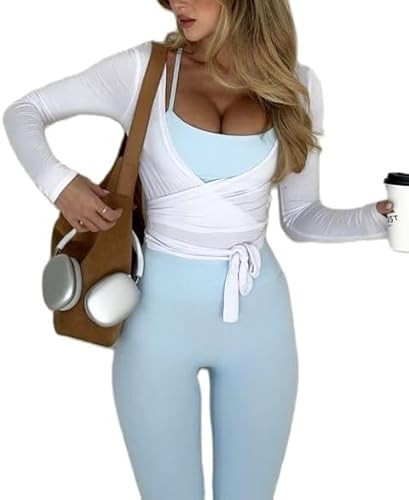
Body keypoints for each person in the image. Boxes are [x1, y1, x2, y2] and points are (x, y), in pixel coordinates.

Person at [3, 1, 394, 499]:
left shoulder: (296, 84)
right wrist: (60, 184)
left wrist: (381, 218)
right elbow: (24, 111)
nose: (178, 4)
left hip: (260, 325)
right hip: (155, 324)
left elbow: (300, 218)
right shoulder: (145, 71)